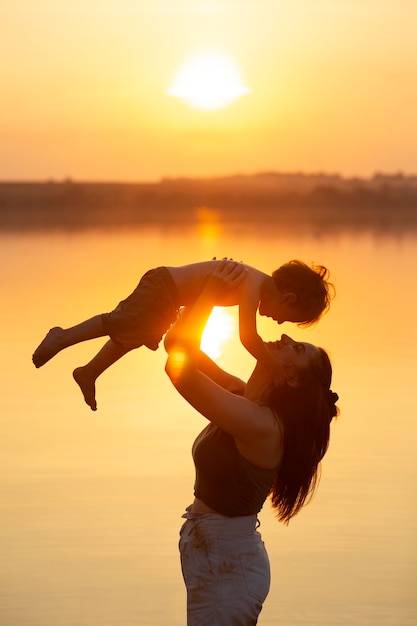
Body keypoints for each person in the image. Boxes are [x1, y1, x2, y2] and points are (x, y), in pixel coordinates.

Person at [163, 260, 339, 626]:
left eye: (297, 348)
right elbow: (179, 348)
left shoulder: (262, 426)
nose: (285, 337)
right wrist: (198, 295)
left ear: (289, 376)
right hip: (218, 558)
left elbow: (177, 369)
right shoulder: (244, 400)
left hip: (228, 567)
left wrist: (211, 294)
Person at [32, 258, 333, 410]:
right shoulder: (252, 286)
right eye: (287, 319)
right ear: (289, 298)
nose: (279, 324)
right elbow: (247, 337)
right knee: (120, 322)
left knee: (134, 334)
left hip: (171, 296)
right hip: (164, 287)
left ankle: (89, 372)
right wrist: (273, 363)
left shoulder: (250, 283)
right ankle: (63, 336)